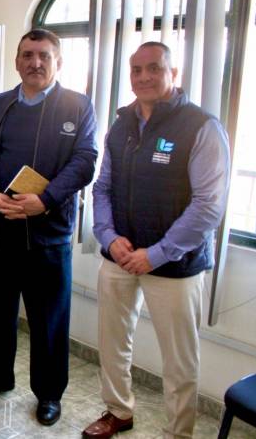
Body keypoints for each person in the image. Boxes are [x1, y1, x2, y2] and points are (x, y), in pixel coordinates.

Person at [82, 42, 230, 439]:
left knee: (179, 359)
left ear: (173, 73)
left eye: (154, 68)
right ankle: (118, 411)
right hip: (120, 255)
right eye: (136, 70)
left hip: (175, 263)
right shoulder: (121, 125)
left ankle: (178, 433)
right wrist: (108, 237)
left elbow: (208, 206)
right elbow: (103, 187)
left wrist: (158, 254)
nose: (143, 77)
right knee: (113, 343)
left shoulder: (200, 126)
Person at [0, 29, 98, 425]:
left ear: (58, 61)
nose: (35, 62)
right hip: (0, 227)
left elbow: (85, 160)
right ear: (16, 61)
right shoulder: (0, 104)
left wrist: (45, 199)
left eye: (44, 55)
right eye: (27, 55)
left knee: (48, 321)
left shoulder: (77, 105)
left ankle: (49, 394)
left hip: (48, 234)